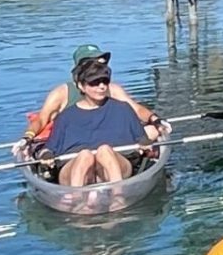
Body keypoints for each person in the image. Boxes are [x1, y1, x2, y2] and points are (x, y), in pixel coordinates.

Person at [26, 48, 165, 186]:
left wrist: (155, 121)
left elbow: (139, 125)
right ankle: (77, 199)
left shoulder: (121, 104)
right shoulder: (64, 111)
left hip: (114, 157)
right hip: (76, 161)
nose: (101, 86)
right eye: (94, 81)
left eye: (104, 80)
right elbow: (46, 135)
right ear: (81, 84)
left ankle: (118, 196)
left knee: (105, 150)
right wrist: (30, 139)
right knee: (84, 155)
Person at [27, 44, 159, 137]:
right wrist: (28, 136)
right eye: (95, 64)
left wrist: (155, 119)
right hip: (76, 142)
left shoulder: (112, 89)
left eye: (103, 64)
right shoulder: (62, 93)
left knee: (152, 131)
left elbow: (136, 109)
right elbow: (42, 119)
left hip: (111, 137)